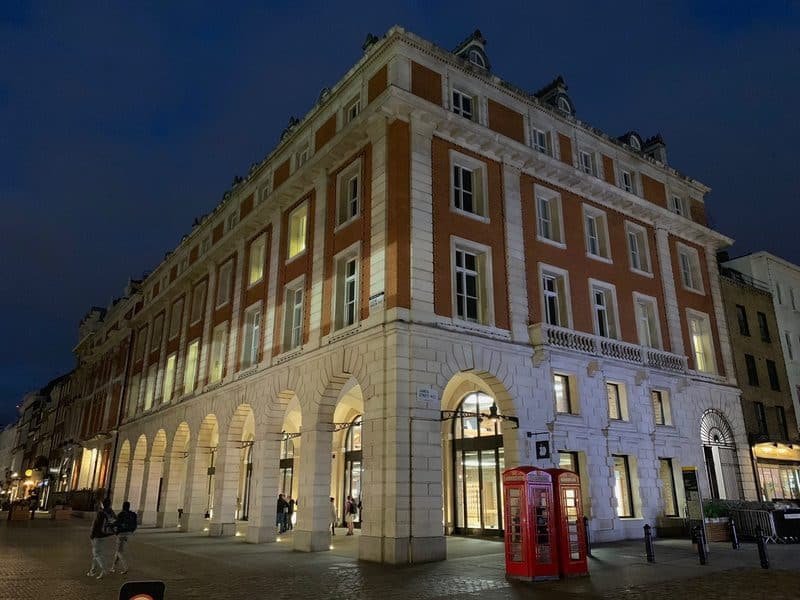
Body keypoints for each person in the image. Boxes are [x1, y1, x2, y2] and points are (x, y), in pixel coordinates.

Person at [87, 497, 116, 580]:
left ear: (103, 504)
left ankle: (104, 570)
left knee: (97, 554)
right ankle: (92, 571)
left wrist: (92, 535)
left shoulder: (100, 513)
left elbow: (95, 525)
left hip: (97, 536)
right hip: (105, 535)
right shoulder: (110, 512)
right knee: (96, 553)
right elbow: (115, 521)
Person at [111, 501, 137, 575]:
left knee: (119, 551)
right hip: (129, 534)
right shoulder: (133, 514)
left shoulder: (121, 514)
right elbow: (135, 525)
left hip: (121, 534)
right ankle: (113, 567)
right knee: (119, 550)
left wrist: (111, 526)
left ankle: (125, 567)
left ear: (123, 506)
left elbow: (117, 523)